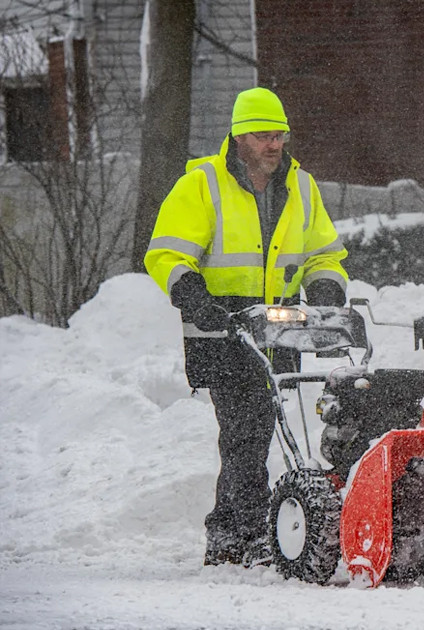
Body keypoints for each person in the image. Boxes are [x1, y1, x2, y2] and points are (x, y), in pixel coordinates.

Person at [144, 87, 348, 567]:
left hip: (277, 329)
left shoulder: (301, 186)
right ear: (239, 137)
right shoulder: (202, 184)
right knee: (245, 432)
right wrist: (193, 296)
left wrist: (325, 290)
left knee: (255, 431)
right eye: (262, 135)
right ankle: (247, 534)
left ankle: (233, 531)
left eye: (279, 134)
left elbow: (325, 254)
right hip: (220, 331)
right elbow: (165, 253)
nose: (273, 144)